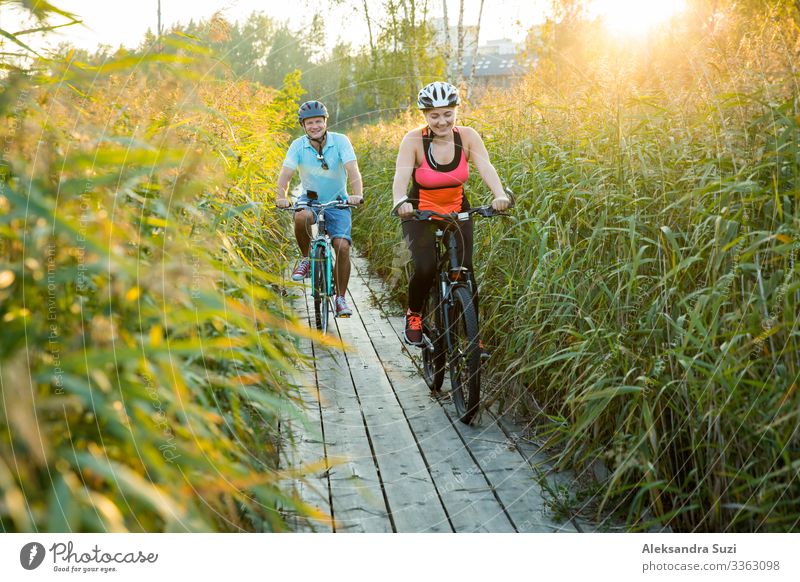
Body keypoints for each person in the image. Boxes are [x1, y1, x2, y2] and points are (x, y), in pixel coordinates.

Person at [392, 81, 510, 346]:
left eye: (448, 114)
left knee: (465, 270)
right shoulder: (413, 140)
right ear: (424, 115)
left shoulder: (467, 136)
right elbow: (400, 178)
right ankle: (415, 314)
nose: (442, 121)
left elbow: (485, 166)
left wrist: (499, 194)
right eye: (434, 115)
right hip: (420, 213)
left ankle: (472, 335)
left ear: (456, 111)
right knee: (426, 267)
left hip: (458, 211)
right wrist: (401, 202)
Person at [276, 100, 364, 317]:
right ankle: (306, 258)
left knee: (342, 246)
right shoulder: (298, 145)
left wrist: (357, 194)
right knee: (301, 217)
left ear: (325, 122)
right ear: (303, 126)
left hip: (338, 201)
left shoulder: (341, 141)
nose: (314, 126)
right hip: (311, 199)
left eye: (318, 121)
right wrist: (281, 196)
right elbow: (286, 174)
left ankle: (341, 299)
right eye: (309, 123)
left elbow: (353, 170)